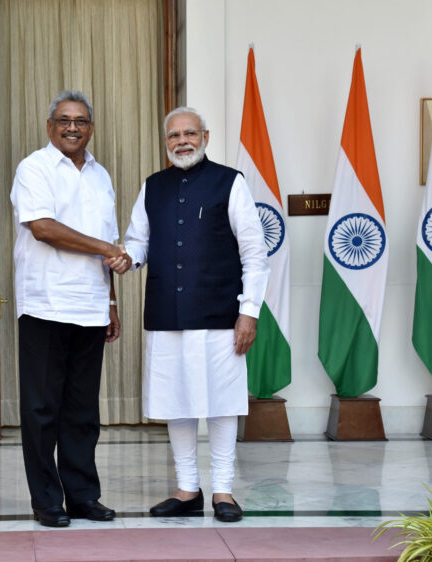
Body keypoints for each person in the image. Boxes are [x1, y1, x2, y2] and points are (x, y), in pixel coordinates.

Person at [113, 106, 269, 523]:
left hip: (221, 316)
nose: (182, 141)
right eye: (173, 136)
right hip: (166, 315)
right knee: (176, 403)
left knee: (221, 404)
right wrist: (126, 258)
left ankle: (223, 490)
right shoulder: (152, 187)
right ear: (165, 143)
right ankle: (187, 490)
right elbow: (138, 241)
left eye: (189, 133)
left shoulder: (230, 183)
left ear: (205, 136)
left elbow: (255, 252)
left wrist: (249, 313)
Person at [10, 90, 130, 527]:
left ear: (91, 127)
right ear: (50, 127)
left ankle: (82, 496)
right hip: (46, 304)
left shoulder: (101, 175)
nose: (72, 127)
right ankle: (46, 501)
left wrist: (111, 300)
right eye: (64, 120)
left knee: (82, 412)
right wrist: (106, 248)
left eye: (80, 120)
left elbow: (110, 244)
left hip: (91, 308)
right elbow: (43, 228)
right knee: (42, 411)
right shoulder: (34, 168)